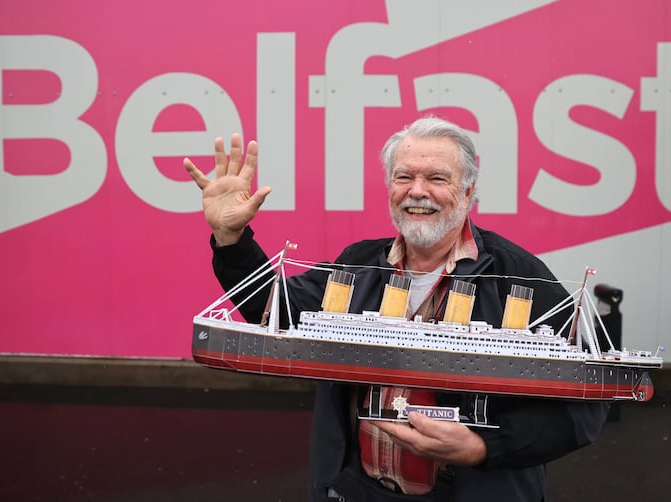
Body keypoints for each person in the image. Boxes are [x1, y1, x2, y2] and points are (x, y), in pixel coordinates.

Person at [183, 117, 609, 502]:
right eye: (404, 176)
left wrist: (483, 448)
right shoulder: (359, 263)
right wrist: (232, 238)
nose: (417, 191)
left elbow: (589, 403)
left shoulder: (519, 276)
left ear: (468, 191)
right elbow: (279, 312)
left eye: (436, 177)